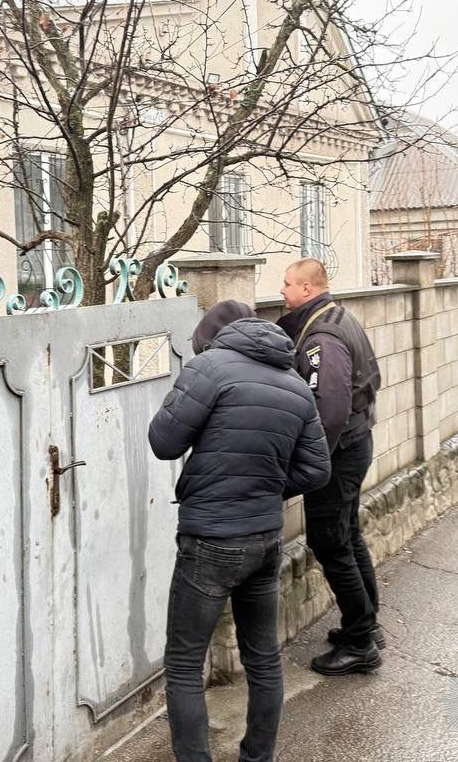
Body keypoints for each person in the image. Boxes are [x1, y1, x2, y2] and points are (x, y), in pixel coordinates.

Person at [148, 299, 331, 762]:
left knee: (185, 665)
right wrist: (265, 486)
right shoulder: (294, 383)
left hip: (210, 539)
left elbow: (164, 442)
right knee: (264, 659)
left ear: (208, 338)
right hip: (265, 539)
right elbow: (317, 470)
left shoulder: (208, 368)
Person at [276, 258, 383, 676]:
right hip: (354, 444)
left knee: (330, 542)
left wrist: (313, 460)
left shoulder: (322, 335)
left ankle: (360, 642)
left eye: (287, 285)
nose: (281, 292)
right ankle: (367, 625)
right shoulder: (338, 317)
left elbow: (330, 410)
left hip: (339, 453)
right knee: (347, 535)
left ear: (306, 289)